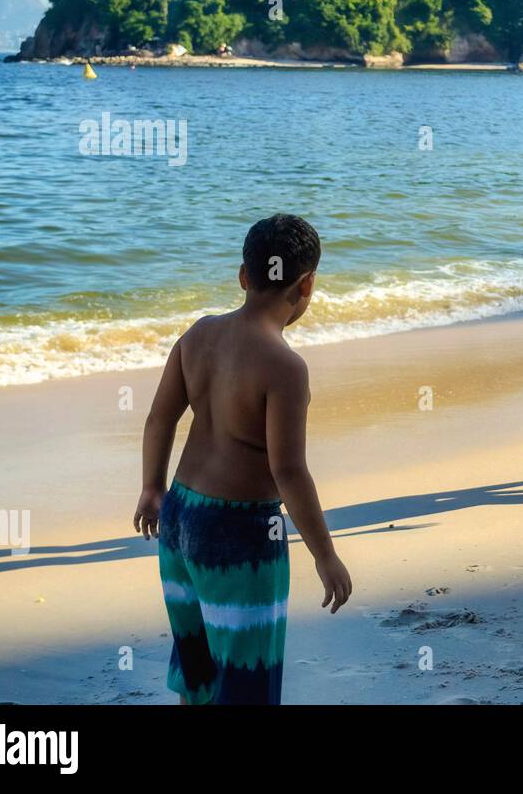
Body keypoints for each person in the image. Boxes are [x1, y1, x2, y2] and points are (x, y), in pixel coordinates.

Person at [132, 213, 352, 704]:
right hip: (241, 535)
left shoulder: (199, 335)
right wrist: (325, 554)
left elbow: (158, 421)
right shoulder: (285, 366)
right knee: (246, 674)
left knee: (197, 664)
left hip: (179, 517)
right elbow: (288, 470)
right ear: (308, 284)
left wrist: (152, 488)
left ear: (243, 276)